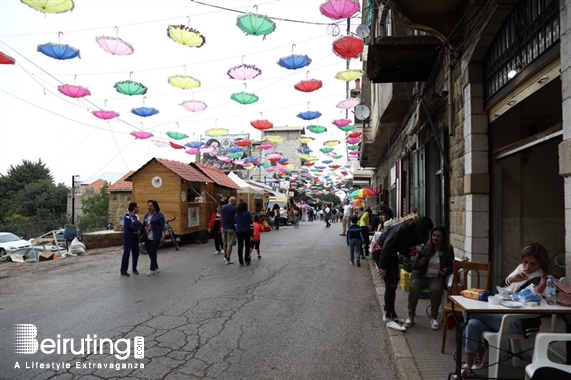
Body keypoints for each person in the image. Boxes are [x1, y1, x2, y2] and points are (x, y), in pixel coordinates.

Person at [459, 242, 552, 377]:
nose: (527, 267)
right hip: (503, 313)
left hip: (518, 321)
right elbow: (503, 286)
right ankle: (469, 364)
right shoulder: (521, 270)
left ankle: (480, 348)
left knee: (469, 311)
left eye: (533, 264)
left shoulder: (540, 279)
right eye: (525, 262)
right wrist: (512, 279)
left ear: (541, 265)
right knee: (473, 323)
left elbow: (518, 298)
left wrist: (505, 296)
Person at [378, 216, 434, 331]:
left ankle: (390, 314)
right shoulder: (404, 228)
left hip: (390, 254)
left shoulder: (410, 231)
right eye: (428, 231)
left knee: (393, 284)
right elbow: (388, 244)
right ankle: (390, 319)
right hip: (382, 252)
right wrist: (383, 266)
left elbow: (400, 247)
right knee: (391, 285)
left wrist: (408, 252)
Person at [404, 226, 455, 330]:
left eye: (438, 236)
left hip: (434, 277)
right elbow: (414, 266)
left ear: (443, 238)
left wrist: (445, 270)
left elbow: (451, 265)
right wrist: (419, 263)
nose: (435, 238)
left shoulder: (448, 249)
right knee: (414, 287)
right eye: (434, 235)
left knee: (436, 289)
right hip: (421, 276)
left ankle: (433, 317)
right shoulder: (424, 248)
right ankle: (411, 316)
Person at [143, 200, 166, 276]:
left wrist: (163, 235)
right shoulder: (146, 215)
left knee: (153, 252)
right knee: (149, 252)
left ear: (155, 207)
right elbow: (144, 225)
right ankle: (155, 265)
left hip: (155, 236)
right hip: (147, 237)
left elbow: (162, 226)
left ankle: (152, 269)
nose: (149, 207)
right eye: (148, 205)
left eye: (151, 206)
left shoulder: (159, 215)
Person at [120, 202, 142, 276]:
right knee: (126, 253)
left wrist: (139, 230)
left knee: (136, 253)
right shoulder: (127, 216)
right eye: (137, 207)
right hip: (128, 237)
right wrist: (136, 230)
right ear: (134, 208)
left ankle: (134, 269)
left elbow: (140, 225)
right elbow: (128, 225)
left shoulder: (135, 217)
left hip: (135, 238)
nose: (138, 209)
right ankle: (123, 270)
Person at [234, 201, 253, 267]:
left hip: (239, 231)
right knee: (247, 246)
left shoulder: (237, 214)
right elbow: (251, 223)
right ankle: (246, 259)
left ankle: (241, 261)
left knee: (240, 246)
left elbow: (235, 223)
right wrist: (252, 231)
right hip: (246, 231)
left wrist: (236, 229)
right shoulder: (247, 213)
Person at [221, 197, 237, 264]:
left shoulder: (223, 207)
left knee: (225, 243)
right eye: (235, 201)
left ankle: (225, 256)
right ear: (232, 201)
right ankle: (228, 259)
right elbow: (236, 218)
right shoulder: (234, 208)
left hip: (223, 226)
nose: (235, 202)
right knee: (230, 244)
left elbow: (221, 217)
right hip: (231, 227)